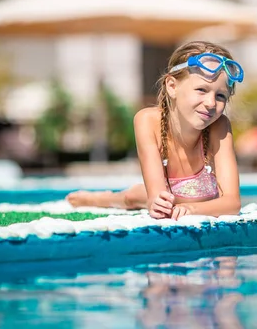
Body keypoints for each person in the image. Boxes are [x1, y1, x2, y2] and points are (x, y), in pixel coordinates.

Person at [66, 41, 243, 219]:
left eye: (220, 96)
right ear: (172, 86)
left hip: (197, 201)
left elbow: (232, 203)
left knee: (137, 195)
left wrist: (191, 209)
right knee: (130, 197)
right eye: (201, 90)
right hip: (152, 193)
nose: (211, 103)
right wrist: (157, 202)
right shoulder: (148, 121)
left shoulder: (219, 127)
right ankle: (99, 199)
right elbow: (156, 197)